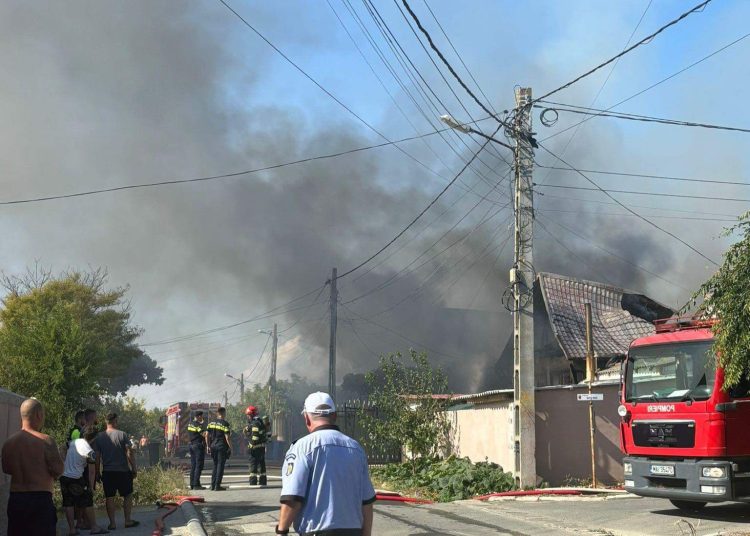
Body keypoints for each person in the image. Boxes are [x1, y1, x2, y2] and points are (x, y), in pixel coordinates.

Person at [278, 392, 375, 536]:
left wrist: (282, 530)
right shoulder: (356, 448)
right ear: (334, 416)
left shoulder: (301, 448)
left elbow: (292, 499)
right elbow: (366, 502)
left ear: (306, 418)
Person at [1, 398, 64, 536]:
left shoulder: (9, 443)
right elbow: (58, 470)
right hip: (40, 500)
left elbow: (6, 469)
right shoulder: (46, 440)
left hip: (16, 499)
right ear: (39, 415)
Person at [94, 412, 139, 530]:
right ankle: (127, 521)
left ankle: (112, 523)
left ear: (106, 422)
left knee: (109, 497)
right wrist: (134, 467)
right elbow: (129, 452)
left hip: (108, 472)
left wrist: (97, 472)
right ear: (115, 421)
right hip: (123, 471)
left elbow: (97, 456)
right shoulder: (122, 434)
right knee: (128, 495)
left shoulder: (99, 437)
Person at [61, 425, 108, 535]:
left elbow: (62, 447)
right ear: (94, 438)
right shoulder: (89, 450)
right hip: (77, 478)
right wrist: (91, 487)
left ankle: (72, 529)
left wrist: (64, 460)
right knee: (87, 502)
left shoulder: (74, 442)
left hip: (64, 477)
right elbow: (91, 471)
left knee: (69, 503)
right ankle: (94, 527)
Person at [242, 405, 268, 487]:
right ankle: (263, 481)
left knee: (253, 465)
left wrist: (251, 444)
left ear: (251, 414)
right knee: (261, 465)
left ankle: (253, 482)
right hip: (261, 447)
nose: (247, 417)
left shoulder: (255, 423)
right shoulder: (260, 421)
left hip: (255, 448)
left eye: (248, 415)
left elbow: (255, 437)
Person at [206, 407, 231, 491]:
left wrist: (208, 446)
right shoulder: (225, 423)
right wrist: (231, 447)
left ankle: (212, 485)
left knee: (215, 465)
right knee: (220, 465)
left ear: (217, 413)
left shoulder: (211, 423)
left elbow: (206, 435)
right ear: (223, 413)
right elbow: (227, 437)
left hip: (213, 446)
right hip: (221, 446)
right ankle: (217, 485)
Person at [187, 410, 207, 490]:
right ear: (198, 416)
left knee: (193, 465)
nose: (202, 417)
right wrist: (204, 426)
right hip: (198, 446)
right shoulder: (197, 425)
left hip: (191, 445)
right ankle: (196, 485)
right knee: (199, 465)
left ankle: (192, 484)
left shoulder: (190, 424)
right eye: (201, 416)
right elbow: (203, 434)